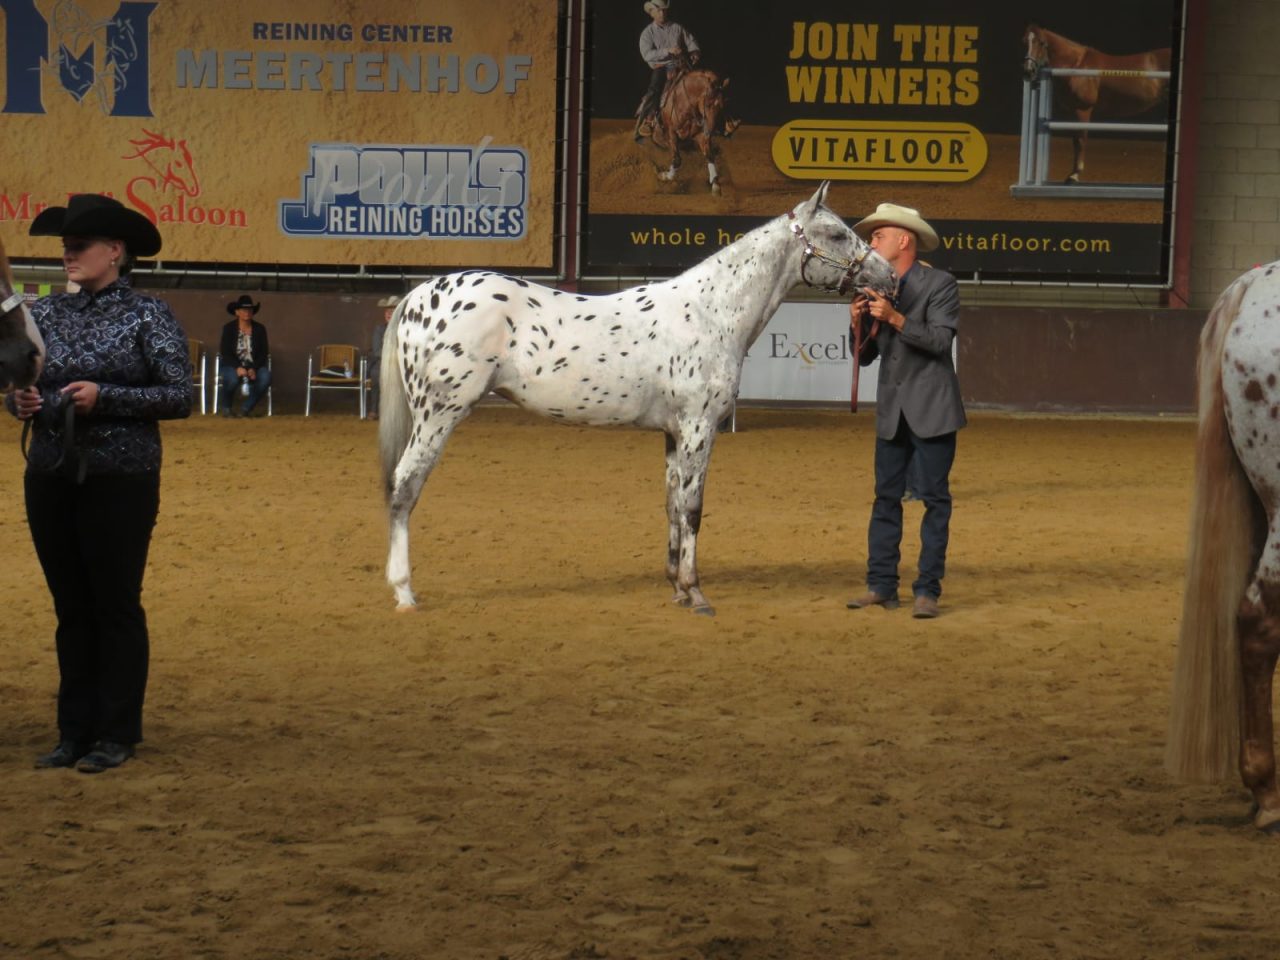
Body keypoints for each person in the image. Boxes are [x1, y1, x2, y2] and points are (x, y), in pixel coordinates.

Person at [4, 193, 191, 772]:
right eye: (65, 247)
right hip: (51, 474)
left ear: (114, 251)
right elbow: (18, 379)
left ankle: (116, 732)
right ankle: (73, 732)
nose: (68, 255)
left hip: (121, 479)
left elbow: (179, 395)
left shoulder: (149, 314)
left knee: (115, 604)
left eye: (79, 246)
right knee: (71, 607)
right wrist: (20, 401)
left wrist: (103, 396)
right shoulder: (45, 314)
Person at [845, 202, 966, 619]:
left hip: (933, 409)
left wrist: (895, 318)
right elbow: (864, 358)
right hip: (893, 412)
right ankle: (881, 585)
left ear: (903, 240)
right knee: (885, 500)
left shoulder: (941, 284)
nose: (871, 242)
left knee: (935, 501)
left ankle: (927, 590)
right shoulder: (873, 288)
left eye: (878, 236)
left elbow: (940, 342)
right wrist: (857, 324)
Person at [635, 0, 700, 141]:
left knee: (701, 84)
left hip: (681, 65)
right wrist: (667, 51)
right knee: (655, 89)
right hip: (661, 67)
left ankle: (716, 120)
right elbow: (647, 54)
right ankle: (649, 120)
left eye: (664, 10)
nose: (662, 13)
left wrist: (694, 51)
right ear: (651, 13)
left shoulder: (677, 27)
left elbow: (690, 40)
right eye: (658, 10)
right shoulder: (647, 33)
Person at [218, 294, 270, 417]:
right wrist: (237, 367)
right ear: (237, 312)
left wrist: (254, 368)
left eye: (250, 310)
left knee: (265, 378)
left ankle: (246, 408)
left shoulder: (260, 329)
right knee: (231, 379)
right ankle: (226, 407)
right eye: (244, 310)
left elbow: (263, 352)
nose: (247, 312)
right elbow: (225, 352)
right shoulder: (228, 328)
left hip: (254, 365)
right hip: (232, 365)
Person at [368, 295, 399, 420]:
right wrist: (392, 357)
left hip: (400, 363)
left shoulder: (403, 329)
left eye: (392, 311)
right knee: (376, 374)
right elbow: (377, 351)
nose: (389, 314)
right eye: (387, 311)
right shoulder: (379, 329)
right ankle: (374, 410)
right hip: (382, 362)